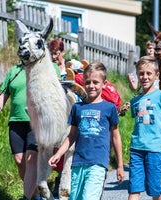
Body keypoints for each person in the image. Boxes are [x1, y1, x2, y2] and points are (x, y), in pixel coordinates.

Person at [48, 62, 124, 200]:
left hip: (98, 163)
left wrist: (119, 165)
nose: (91, 86)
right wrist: (59, 153)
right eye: (88, 82)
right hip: (78, 163)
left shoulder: (109, 108)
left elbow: (116, 137)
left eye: (96, 82)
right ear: (83, 83)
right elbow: (71, 136)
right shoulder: (78, 107)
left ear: (104, 83)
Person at [128, 56, 161, 200]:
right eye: (141, 73)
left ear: (156, 75)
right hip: (136, 148)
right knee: (134, 189)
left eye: (149, 73)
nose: (144, 77)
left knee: (154, 189)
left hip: (155, 148)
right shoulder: (135, 100)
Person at [0, 63, 40, 200]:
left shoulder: (45, 67)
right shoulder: (14, 71)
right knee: (20, 160)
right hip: (16, 120)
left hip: (37, 121)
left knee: (32, 157)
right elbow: (3, 95)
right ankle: (36, 192)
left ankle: (27, 196)